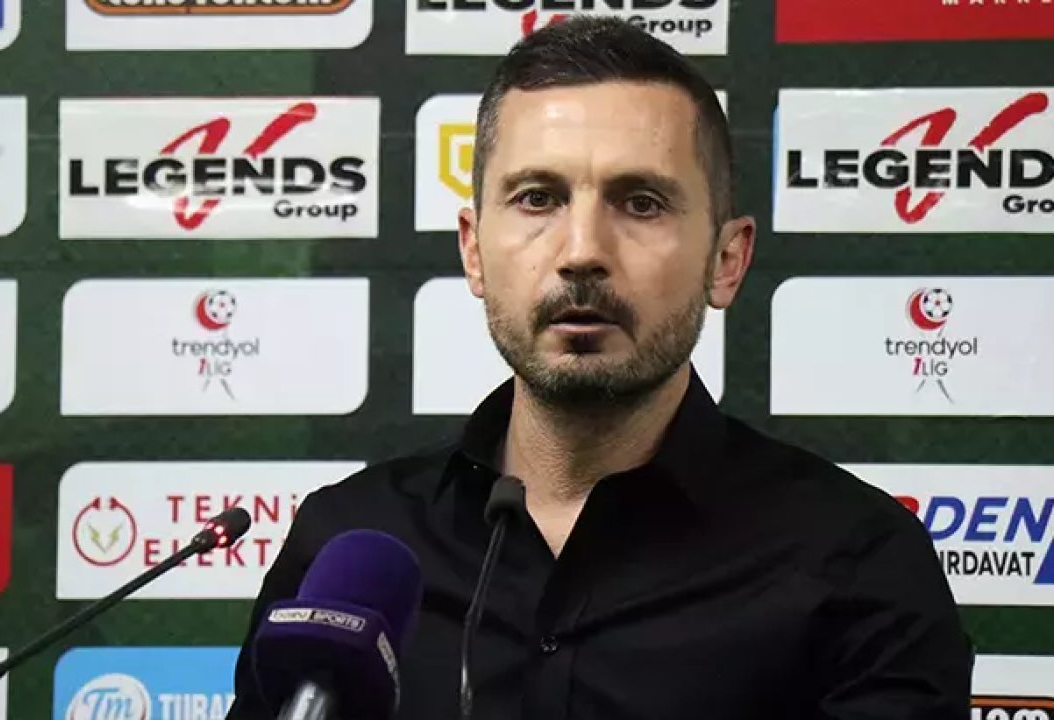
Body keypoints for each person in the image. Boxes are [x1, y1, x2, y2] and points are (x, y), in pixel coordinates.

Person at [226, 16, 972, 720]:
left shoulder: (860, 563)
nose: (582, 250)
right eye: (537, 198)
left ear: (726, 260)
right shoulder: (346, 542)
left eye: (640, 203)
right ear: (473, 250)